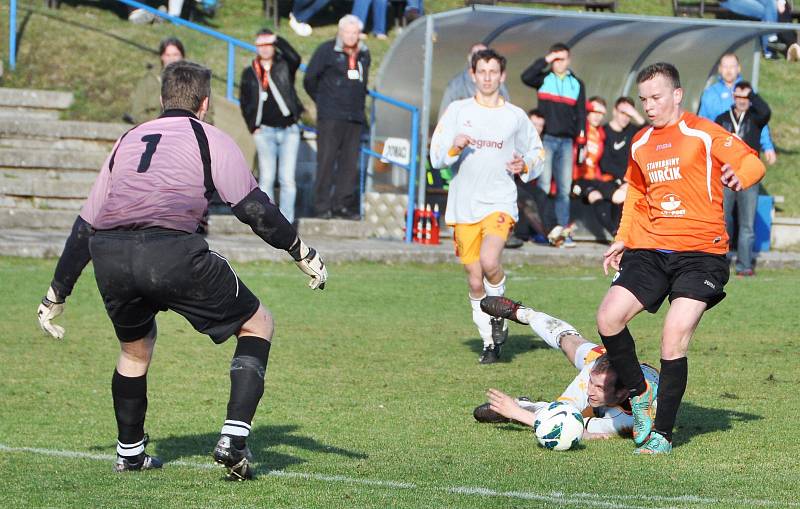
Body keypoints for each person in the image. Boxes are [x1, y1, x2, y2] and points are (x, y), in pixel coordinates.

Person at [35, 61, 328, 480]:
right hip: (170, 251)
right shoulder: (209, 137)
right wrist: (299, 250)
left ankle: (130, 454)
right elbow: (252, 208)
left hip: (111, 254)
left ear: (161, 99)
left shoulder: (127, 139)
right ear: (205, 103)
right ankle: (233, 438)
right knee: (258, 322)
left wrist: (56, 293)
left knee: (134, 349)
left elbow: (87, 224)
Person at [596, 62, 765, 454]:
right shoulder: (640, 143)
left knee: (673, 336)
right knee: (608, 317)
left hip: (701, 255)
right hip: (651, 250)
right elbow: (637, 196)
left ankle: (662, 433)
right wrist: (623, 239)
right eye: (644, 99)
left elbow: (750, 161)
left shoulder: (702, 132)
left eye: (656, 97)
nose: (650, 106)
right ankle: (638, 394)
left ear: (677, 95)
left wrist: (743, 176)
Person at [430, 49, 545, 364]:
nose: (488, 77)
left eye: (493, 72)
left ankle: (499, 314)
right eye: (482, 71)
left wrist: (525, 165)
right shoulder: (457, 110)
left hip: (499, 201)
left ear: (502, 76)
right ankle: (489, 342)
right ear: (472, 75)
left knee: (489, 260)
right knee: (474, 276)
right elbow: (436, 155)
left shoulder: (514, 116)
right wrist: (456, 145)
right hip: (463, 205)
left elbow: (537, 152)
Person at [474, 296, 659, 440]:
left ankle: (526, 405)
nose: (589, 390)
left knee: (568, 414)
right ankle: (522, 313)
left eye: (599, 388)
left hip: (623, 396)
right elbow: (566, 411)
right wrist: (596, 380)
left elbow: (569, 425)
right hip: (608, 366)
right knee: (569, 341)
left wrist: (516, 412)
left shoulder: (629, 419)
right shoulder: (594, 373)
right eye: (591, 383)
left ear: (623, 393)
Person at [304, 15, 371, 220]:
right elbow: (309, 80)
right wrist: (324, 101)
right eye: (347, 32)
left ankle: (342, 205)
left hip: (355, 116)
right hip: (331, 115)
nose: (351, 36)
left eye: (354, 32)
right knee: (326, 161)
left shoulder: (364, 54)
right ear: (340, 32)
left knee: (349, 164)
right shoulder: (326, 50)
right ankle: (321, 206)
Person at [521, 43, 587, 248]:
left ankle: (562, 231)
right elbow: (526, 76)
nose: (559, 63)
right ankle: (544, 230)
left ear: (569, 60)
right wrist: (547, 59)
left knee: (564, 189)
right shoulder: (543, 79)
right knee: (542, 187)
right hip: (547, 140)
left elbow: (581, 113)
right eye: (556, 59)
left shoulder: (577, 83)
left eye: (562, 58)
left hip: (567, 142)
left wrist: (582, 142)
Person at [239, 28, 304, 225]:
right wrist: (253, 126)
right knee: (266, 178)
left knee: (287, 179)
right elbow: (245, 101)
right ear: (256, 47)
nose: (265, 49)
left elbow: (296, 57)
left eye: (269, 45)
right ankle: (269, 224)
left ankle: (287, 224)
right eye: (262, 45)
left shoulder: (284, 65)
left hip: (288, 130)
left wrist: (278, 40)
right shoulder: (250, 72)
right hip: (264, 131)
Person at [715, 81, 771, 276]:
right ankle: (720, 261)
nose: (741, 101)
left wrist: (753, 95)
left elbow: (766, 112)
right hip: (726, 175)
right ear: (733, 97)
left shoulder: (755, 118)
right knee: (723, 220)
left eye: (745, 98)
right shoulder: (722, 119)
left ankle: (744, 265)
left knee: (747, 223)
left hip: (749, 176)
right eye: (738, 96)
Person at [698, 53, 776, 165]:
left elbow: (761, 120)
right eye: (725, 66)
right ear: (719, 69)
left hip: (746, 152)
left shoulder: (748, 91)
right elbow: (702, 122)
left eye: (732, 66)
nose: (729, 70)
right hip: (720, 151)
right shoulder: (710, 93)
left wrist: (768, 146)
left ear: (738, 68)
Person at [437, 43, 510, 121]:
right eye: (475, 54)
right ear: (469, 58)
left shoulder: (498, 83)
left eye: (484, 54)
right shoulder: (455, 86)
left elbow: (507, 112)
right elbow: (443, 119)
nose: (480, 58)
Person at [126, 37, 185, 125]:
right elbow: (137, 112)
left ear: (182, 57)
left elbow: (206, 113)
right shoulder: (148, 81)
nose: (171, 59)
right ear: (162, 57)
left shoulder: (195, 80)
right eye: (167, 55)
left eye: (175, 55)